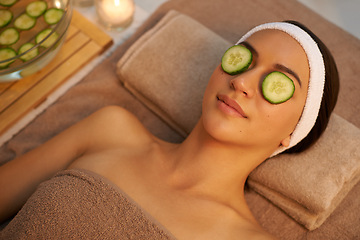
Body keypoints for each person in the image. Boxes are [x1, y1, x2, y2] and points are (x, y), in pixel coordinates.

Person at [0, 21, 339, 239]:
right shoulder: (110, 130)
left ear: (294, 132)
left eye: (277, 84)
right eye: (242, 60)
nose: (242, 81)